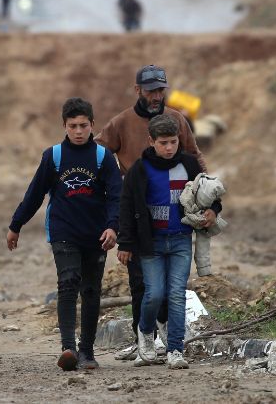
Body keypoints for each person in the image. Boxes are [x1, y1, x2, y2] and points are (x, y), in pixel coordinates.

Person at [96, 65, 205, 363]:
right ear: (138, 90)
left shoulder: (177, 120)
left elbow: (195, 158)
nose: (157, 96)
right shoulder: (122, 122)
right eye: (151, 90)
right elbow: (99, 155)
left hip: (174, 216)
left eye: (161, 90)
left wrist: (208, 194)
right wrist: (112, 188)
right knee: (141, 284)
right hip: (138, 215)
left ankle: (168, 343)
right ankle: (141, 339)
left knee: (170, 288)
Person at [7, 98, 122, 372]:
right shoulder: (54, 156)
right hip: (64, 231)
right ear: (64, 126)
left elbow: (117, 196)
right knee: (68, 283)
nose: (79, 131)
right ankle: (68, 348)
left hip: (97, 234)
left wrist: (113, 227)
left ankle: (87, 352)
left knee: (92, 290)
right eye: (73, 126)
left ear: (93, 125)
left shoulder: (103, 157)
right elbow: (34, 194)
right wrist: (16, 225)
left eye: (84, 125)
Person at [117, 114, 219, 370]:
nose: (169, 147)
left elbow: (210, 192)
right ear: (151, 141)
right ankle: (145, 334)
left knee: (176, 296)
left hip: (181, 240)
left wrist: (214, 210)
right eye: (163, 142)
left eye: (173, 142)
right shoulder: (139, 170)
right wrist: (126, 244)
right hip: (150, 244)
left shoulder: (189, 165)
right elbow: (127, 208)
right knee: (153, 294)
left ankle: (175, 349)